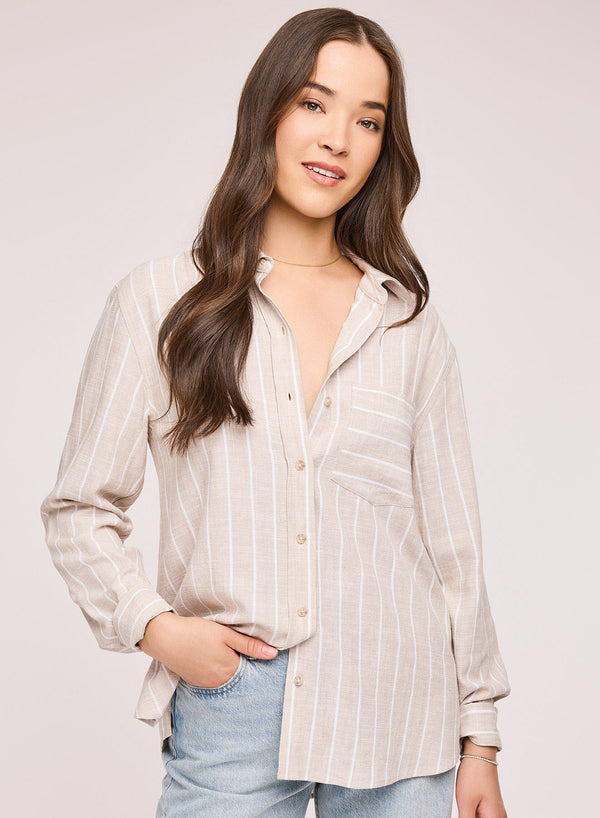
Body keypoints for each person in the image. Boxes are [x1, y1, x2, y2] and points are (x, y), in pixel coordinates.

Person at [40, 8, 511, 818]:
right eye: (313, 103)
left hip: (401, 715)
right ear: (267, 109)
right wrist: (158, 629)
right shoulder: (161, 302)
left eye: (368, 121)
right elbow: (79, 509)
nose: (337, 139)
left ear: (384, 147)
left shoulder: (407, 325)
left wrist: (481, 741)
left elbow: (453, 549)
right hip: (235, 709)